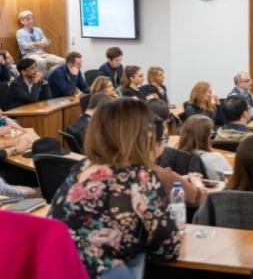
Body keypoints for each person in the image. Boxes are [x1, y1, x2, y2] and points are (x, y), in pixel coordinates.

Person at [47, 98, 181, 278]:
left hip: (54, 266)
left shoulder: (82, 167)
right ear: (142, 135)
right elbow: (168, 248)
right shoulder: (139, 176)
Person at [177, 115, 230, 181]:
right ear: (207, 136)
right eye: (211, 133)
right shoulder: (216, 158)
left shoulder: (174, 156)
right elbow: (231, 180)